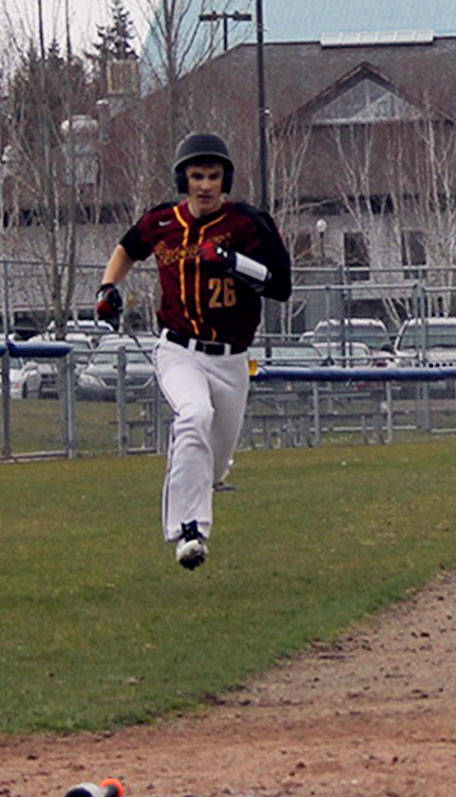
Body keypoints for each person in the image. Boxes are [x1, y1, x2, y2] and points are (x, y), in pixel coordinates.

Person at [95, 132, 291, 570]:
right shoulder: (162, 221)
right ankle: (189, 532)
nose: (204, 185)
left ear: (226, 180)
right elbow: (128, 247)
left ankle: (211, 480)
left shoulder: (248, 224)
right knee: (193, 417)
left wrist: (232, 261)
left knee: (215, 462)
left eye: (213, 176)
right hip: (179, 348)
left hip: (231, 358)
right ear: (183, 178)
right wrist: (108, 287)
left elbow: (281, 286)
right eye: (196, 175)